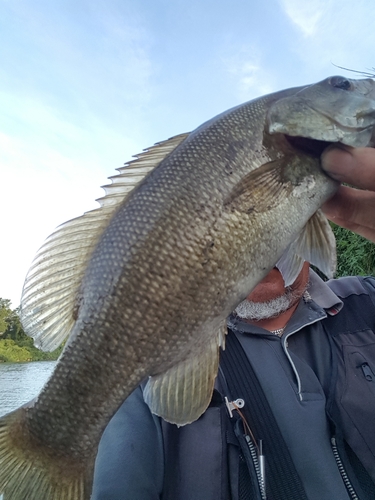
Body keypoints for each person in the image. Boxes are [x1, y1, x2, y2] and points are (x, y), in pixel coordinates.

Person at [91, 146, 375, 500]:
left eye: (282, 221)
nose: (268, 242)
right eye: (243, 220)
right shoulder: (145, 364)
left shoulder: (368, 302)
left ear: (313, 224)